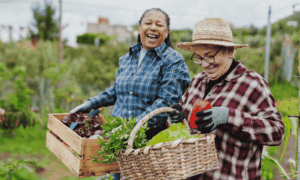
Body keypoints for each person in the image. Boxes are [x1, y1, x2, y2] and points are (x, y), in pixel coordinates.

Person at [70, 8, 191, 180]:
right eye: (148, 23)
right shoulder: (127, 57)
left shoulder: (173, 61)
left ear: (167, 31)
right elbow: (118, 90)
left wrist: (131, 129)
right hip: (117, 139)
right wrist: (92, 102)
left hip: (147, 143)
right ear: (140, 27)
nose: (153, 28)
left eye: (159, 24)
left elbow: (165, 102)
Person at [167, 18, 285, 180]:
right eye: (199, 57)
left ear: (229, 51)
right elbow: (187, 130)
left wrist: (229, 117)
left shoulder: (251, 84)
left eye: (209, 56)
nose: (204, 64)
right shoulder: (197, 82)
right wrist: (176, 119)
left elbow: (276, 131)